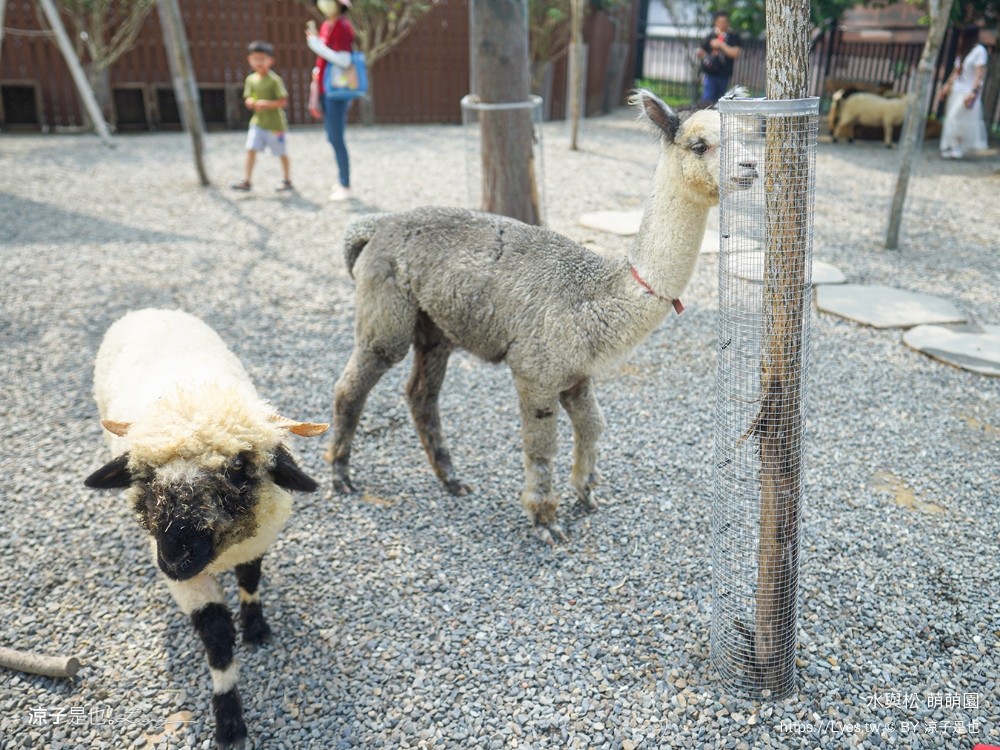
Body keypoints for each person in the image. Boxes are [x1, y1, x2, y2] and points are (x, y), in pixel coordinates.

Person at [306, 0, 356, 202]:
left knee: (336, 137)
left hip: (337, 90)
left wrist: (316, 46)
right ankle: (342, 180)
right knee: (332, 137)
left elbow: (344, 60)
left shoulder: (342, 26)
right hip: (326, 89)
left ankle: (345, 184)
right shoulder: (327, 25)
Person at [232, 40, 293, 192]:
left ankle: (287, 179)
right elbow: (248, 98)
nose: (259, 62)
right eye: (256, 58)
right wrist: (250, 102)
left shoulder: (274, 80)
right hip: (257, 123)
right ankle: (246, 181)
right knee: (250, 149)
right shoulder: (250, 80)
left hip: (275, 125)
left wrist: (265, 104)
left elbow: (283, 101)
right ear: (249, 59)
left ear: (270, 60)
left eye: (262, 58)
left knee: (281, 153)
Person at [937, 26, 989, 159]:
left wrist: (973, 92)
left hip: (967, 92)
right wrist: (946, 86)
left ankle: (958, 148)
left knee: (957, 119)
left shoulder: (979, 51)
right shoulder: (964, 51)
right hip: (957, 90)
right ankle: (953, 147)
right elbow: (956, 72)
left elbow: (979, 73)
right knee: (952, 120)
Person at [696, 11, 741, 104]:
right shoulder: (711, 36)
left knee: (720, 101)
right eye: (720, 22)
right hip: (710, 74)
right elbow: (702, 51)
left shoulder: (733, 36)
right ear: (716, 22)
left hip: (724, 74)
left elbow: (735, 53)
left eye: (725, 22)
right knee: (707, 99)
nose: (723, 24)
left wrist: (721, 45)